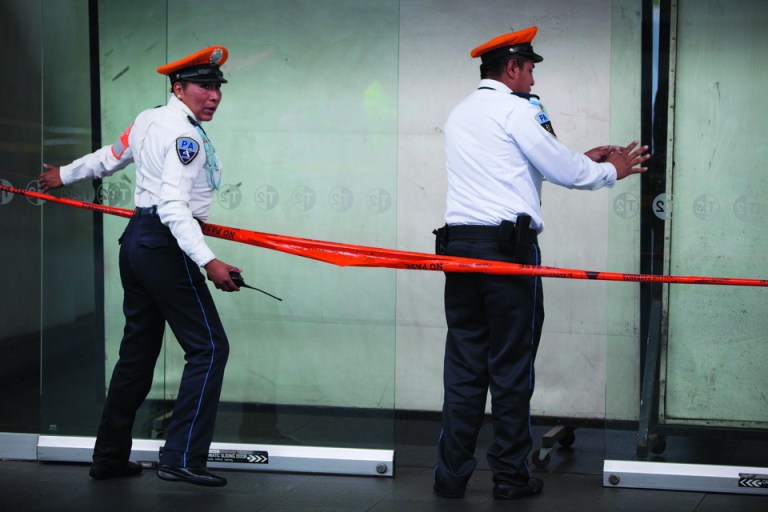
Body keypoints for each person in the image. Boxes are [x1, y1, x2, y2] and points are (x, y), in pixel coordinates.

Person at [432, 26, 650, 500]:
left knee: (465, 365)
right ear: (511, 67)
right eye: (529, 69)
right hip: (507, 254)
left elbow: (514, 168)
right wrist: (612, 169)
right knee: (510, 368)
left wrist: (576, 157)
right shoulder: (517, 108)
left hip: (459, 250)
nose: (532, 79)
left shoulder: (461, 112)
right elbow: (563, 170)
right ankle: (510, 477)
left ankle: (449, 479)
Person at [38, 46, 241, 487]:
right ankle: (181, 457)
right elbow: (173, 207)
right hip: (165, 245)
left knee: (135, 356)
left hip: (137, 244)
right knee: (209, 349)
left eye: (217, 88)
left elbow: (110, 157)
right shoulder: (185, 137)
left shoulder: (150, 119)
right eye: (204, 87)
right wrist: (210, 261)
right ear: (179, 88)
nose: (214, 96)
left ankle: (109, 457)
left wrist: (64, 174)